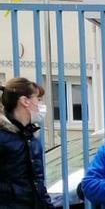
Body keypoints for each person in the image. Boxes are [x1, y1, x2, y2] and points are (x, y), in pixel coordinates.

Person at [0, 77, 51, 207]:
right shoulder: (3, 136)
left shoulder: (32, 138)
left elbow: (38, 182)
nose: (41, 105)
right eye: (38, 99)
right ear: (24, 101)